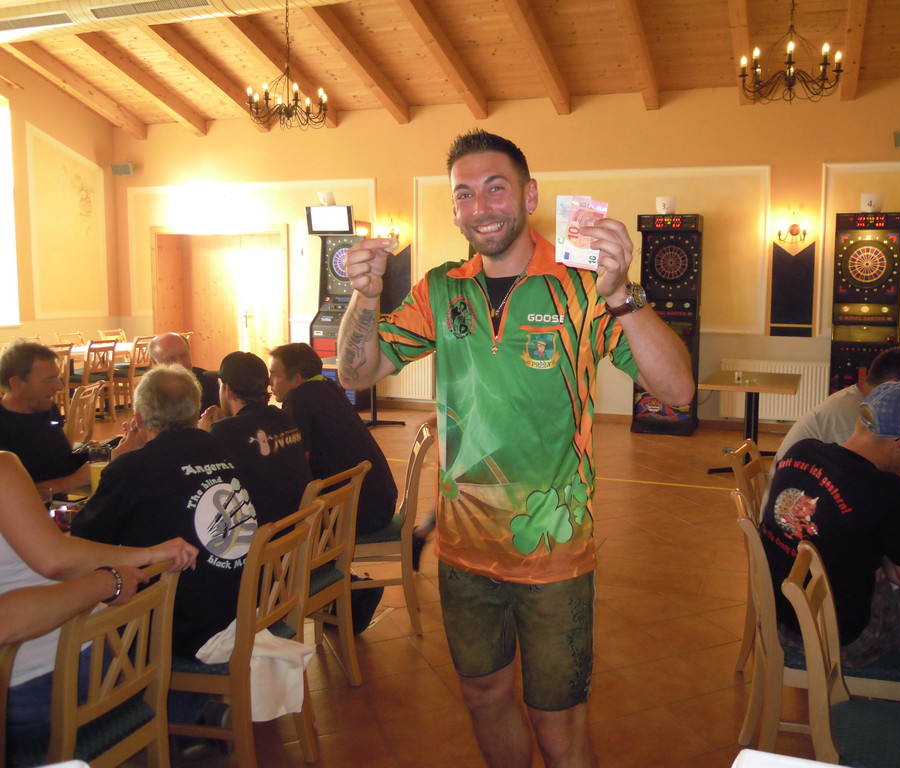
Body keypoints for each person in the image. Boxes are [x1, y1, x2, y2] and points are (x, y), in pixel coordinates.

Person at [335, 130, 694, 768]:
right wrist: (364, 294)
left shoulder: (583, 285)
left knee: (559, 727)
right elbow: (356, 372)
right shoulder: (440, 289)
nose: (480, 207)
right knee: (483, 696)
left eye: (495, 188)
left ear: (529, 195)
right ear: (453, 208)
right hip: (462, 551)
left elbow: (678, 390)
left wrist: (622, 293)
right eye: (464, 194)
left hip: (554, 554)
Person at [1, 450, 197, 744]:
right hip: (62, 680)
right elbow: (55, 560)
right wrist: (135, 562)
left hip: (51, 680)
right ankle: (187, 712)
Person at [71, 365, 257, 672]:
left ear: (139, 417)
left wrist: (116, 462)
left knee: (70, 634)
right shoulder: (222, 448)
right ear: (194, 408)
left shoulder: (132, 467)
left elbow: (83, 542)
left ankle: (152, 695)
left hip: (177, 627)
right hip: (238, 608)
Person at [760, 380, 900, 669]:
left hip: (777, 615)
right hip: (838, 638)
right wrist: (882, 559)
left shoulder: (801, 451)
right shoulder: (888, 492)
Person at [770, 347, 900, 494]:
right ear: (894, 385)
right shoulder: (852, 415)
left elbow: (890, 475)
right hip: (801, 515)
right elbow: (869, 495)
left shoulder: (865, 406)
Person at [268, 342, 397, 536]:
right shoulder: (328, 385)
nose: (270, 382)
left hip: (359, 515)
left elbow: (298, 465)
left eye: (275, 375)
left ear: (297, 380)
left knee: (281, 527)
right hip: (380, 502)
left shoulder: (298, 399)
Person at [197, 351, 312, 524]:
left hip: (264, 535)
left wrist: (204, 436)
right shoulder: (283, 418)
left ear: (228, 389)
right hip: (300, 528)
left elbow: (205, 487)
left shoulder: (223, 431)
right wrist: (223, 423)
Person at [0, 340, 90, 495]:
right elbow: (11, 498)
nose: (59, 387)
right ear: (16, 383)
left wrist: (107, 454)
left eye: (57, 378)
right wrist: (75, 480)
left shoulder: (47, 409)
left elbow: (61, 462)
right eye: (48, 380)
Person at [148, 332, 220, 412]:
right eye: (171, 359)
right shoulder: (149, 392)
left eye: (184, 355)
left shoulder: (209, 381)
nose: (181, 363)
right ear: (155, 362)